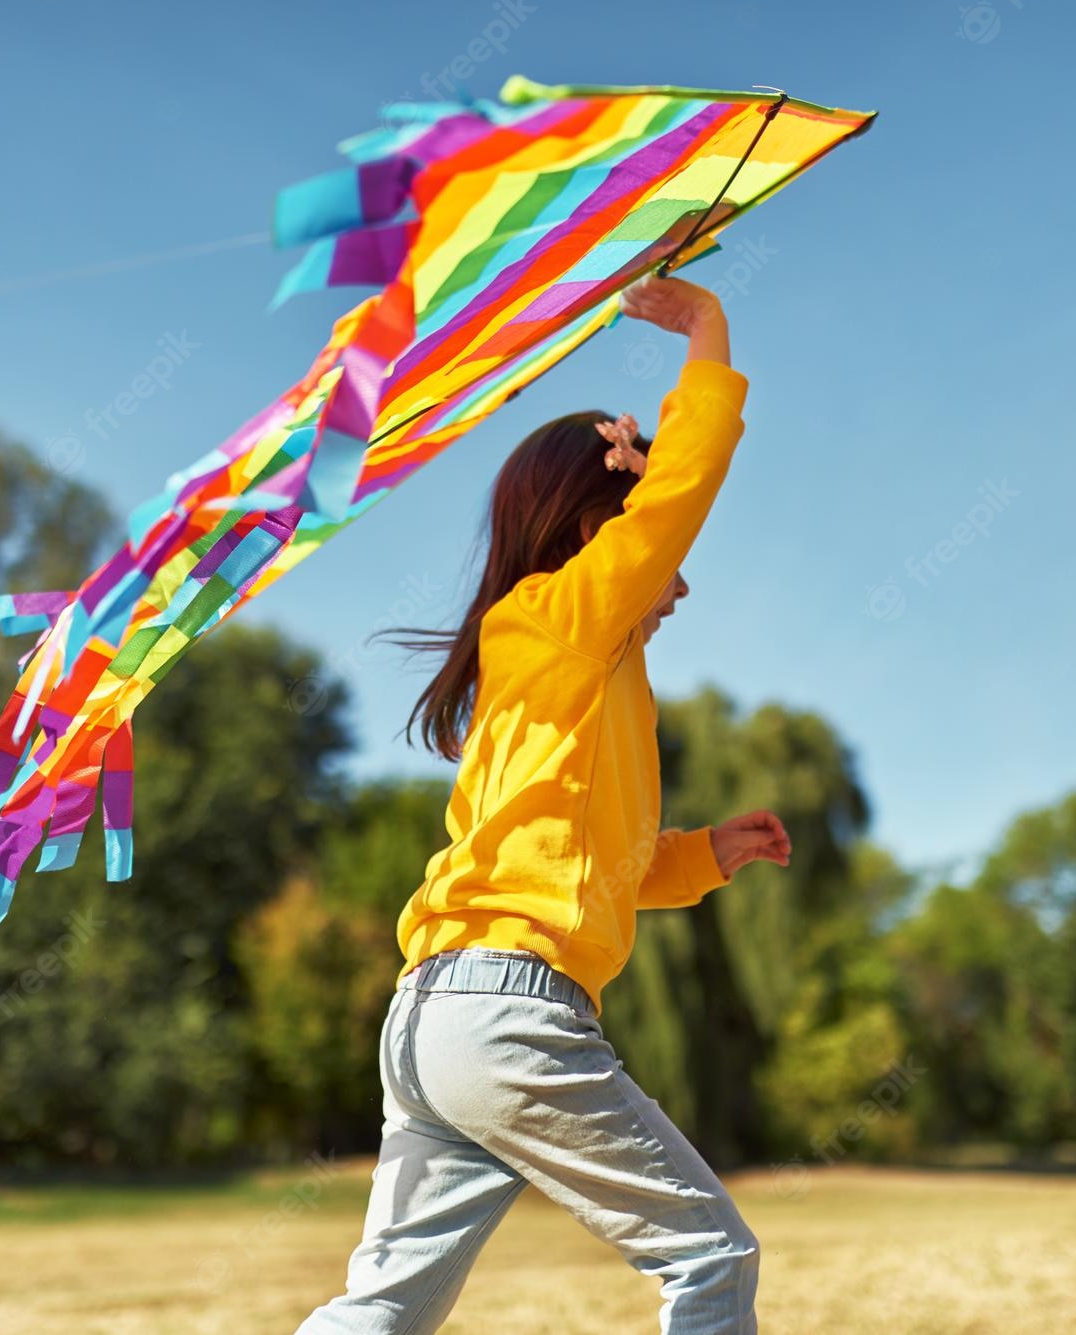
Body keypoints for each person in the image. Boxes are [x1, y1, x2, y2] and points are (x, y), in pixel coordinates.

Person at [297, 275, 791, 1335]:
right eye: (647, 550)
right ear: (595, 528)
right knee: (711, 1256)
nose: (678, 584)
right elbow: (675, 506)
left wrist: (705, 853)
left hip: (430, 1020)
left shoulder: (547, 662)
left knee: (382, 1308)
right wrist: (706, 337)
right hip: (509, 1015)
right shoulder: (563, 618)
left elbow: (581, 859)